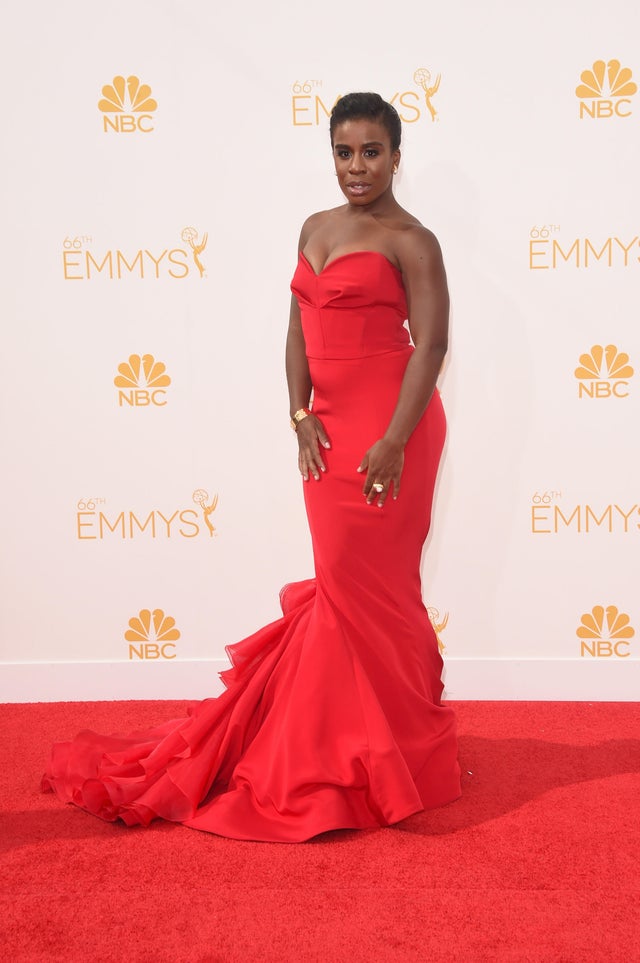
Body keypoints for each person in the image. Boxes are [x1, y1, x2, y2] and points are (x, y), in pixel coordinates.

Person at [42, 93, 461, 843]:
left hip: (389, 430)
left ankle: (381, 752)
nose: (355, 166)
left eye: (370, 151)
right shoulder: (315, 227)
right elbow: (298, 325)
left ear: (398, 156)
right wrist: (299, 415)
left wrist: (396, 439)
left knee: (377, 589)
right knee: (342, 587)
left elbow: (429, 347)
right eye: (343, 151)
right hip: (327, 432)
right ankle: (361, 749)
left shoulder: (413, 240)